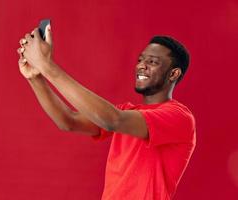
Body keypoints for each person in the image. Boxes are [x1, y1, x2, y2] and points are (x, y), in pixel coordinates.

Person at [17, 25, 196, 200]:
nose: (142, 65)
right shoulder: (127, 112)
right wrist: (36, 77)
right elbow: (68, 120)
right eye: (141, 59)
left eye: (152, 62)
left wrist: (47, 66)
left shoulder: (179, 117)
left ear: (173, 74)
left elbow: (111, 120)